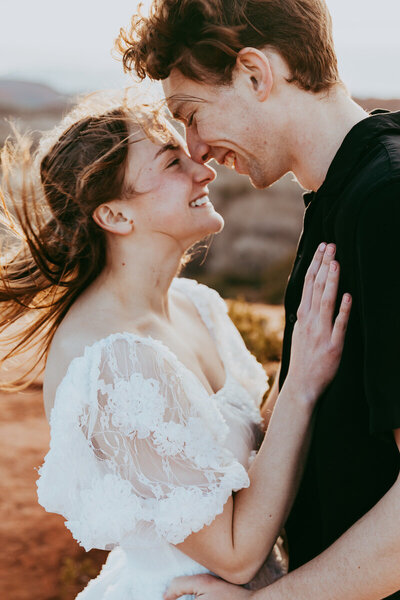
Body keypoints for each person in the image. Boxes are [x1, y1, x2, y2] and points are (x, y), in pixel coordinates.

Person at [0, 89, 350, 599]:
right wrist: (299, 382)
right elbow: (234, 555)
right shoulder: (112, 365)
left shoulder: (194, 306)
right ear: (116, 216)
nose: (204, 169)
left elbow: (258, 449)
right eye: (171, 163)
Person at [117, 0, 400, 598]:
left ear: (255, 74)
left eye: (191, 114)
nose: (195, 150)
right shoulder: (341, 193)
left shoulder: (388, 202)